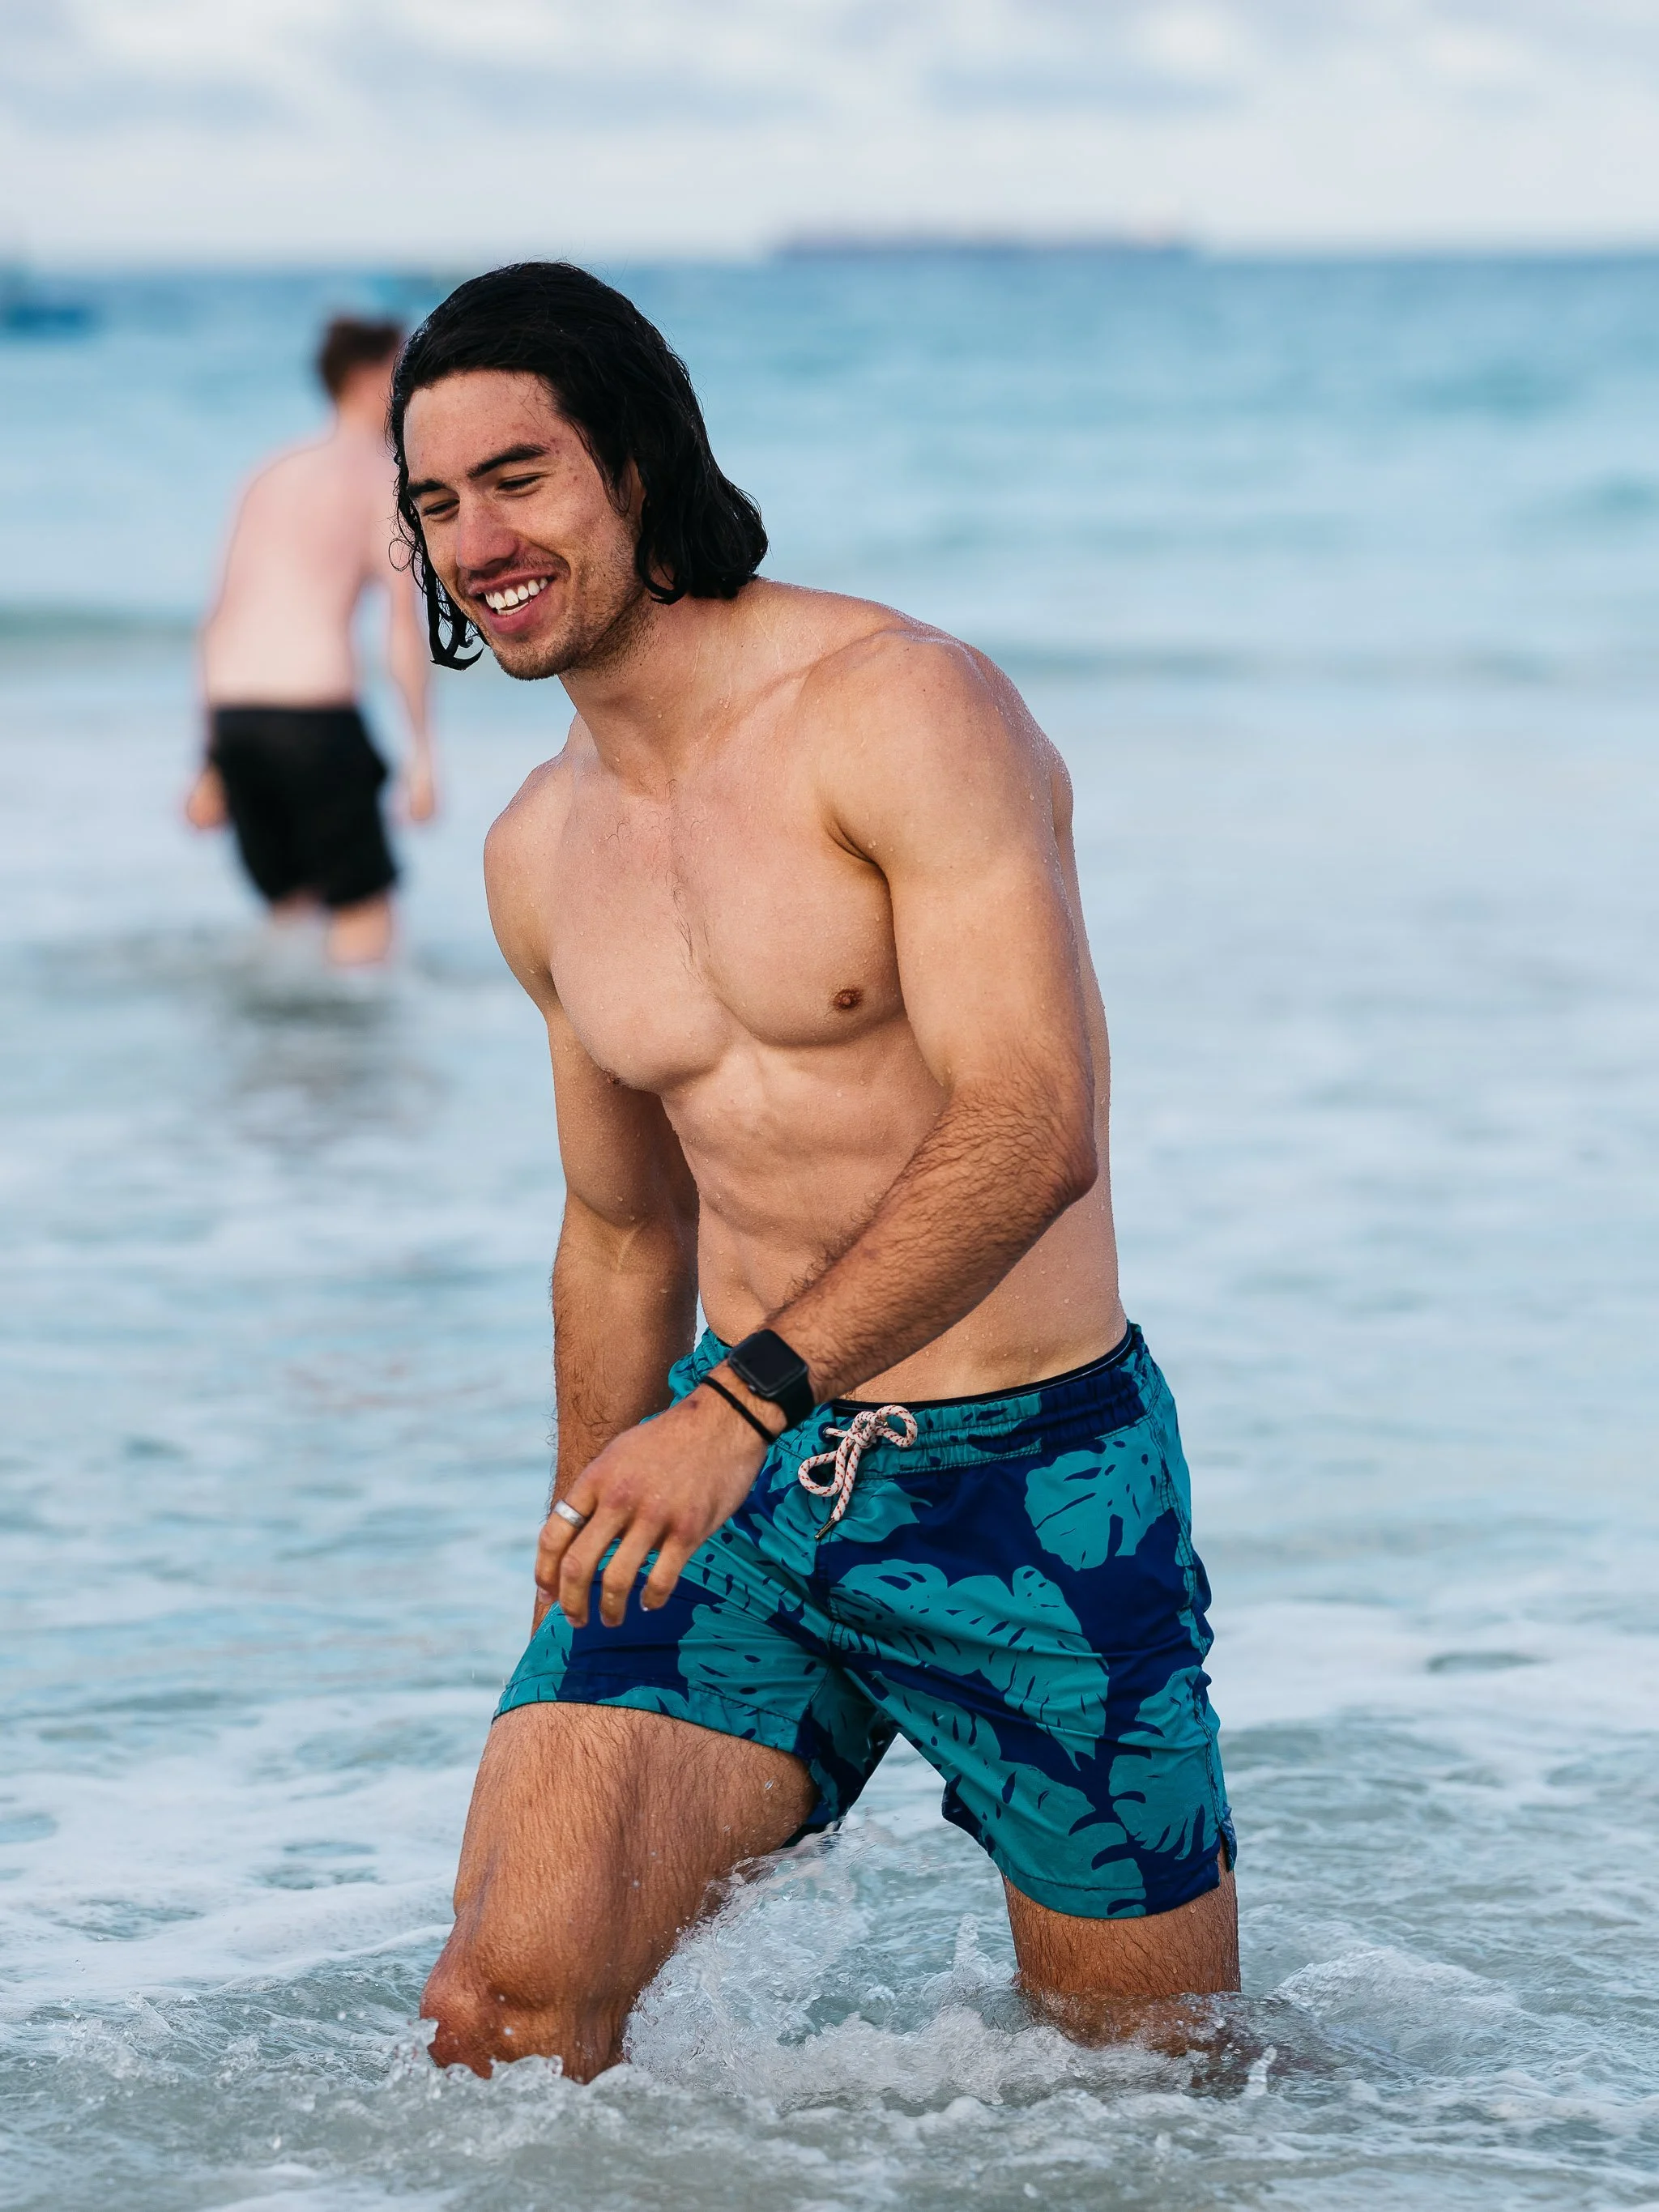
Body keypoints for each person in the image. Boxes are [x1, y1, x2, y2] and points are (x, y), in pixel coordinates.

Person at [394, 262, 1239, 2082]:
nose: (476, 541)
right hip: (740, 1504)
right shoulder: (540, 850)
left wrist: (738, 1406)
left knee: (1154, 2095)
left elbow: (1032, 1122)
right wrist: (574, 1572)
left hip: (1031, 1487)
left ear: (635, 465)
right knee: (501, 2017)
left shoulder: (901, 709)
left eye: (518, 478)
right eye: (437, 502)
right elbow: (620, 1231)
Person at [186, 316, 437, 966]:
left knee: (291, 914)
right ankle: (361, 1036)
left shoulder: (269, 472)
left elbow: (218, 618)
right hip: (314, 717)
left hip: (237, 717)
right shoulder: (380, 477)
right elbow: (401, 626)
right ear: (366, 379)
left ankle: (289, 1036)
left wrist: (209, 761)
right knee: (365, 916)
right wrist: (421, 755)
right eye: (403, 373)